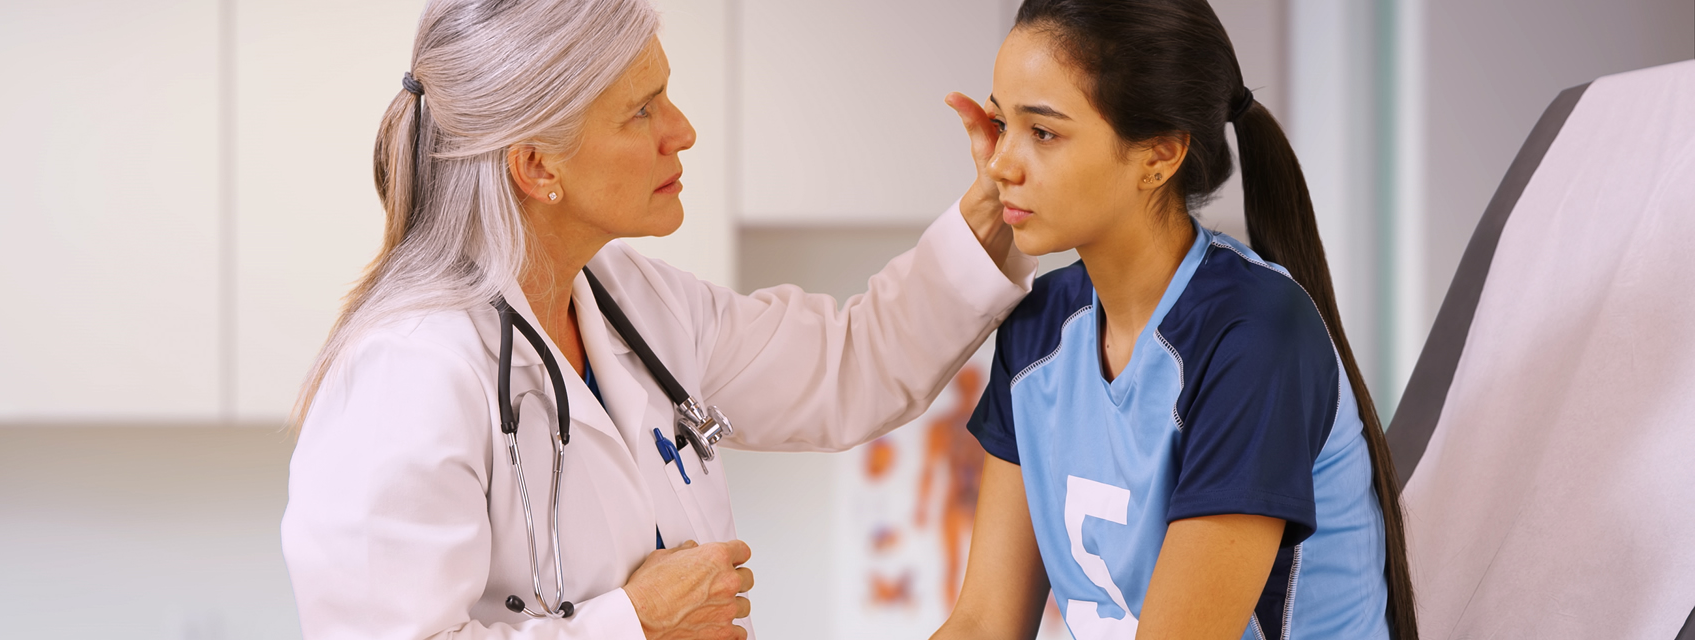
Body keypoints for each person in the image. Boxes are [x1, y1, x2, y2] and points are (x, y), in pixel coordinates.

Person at [277, 0, 1037, 638]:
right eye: (641, 112)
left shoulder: (634, 303)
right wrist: (633, 623)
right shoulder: (408, 368)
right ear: (538, 165)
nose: (682, 131)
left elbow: (852, 367)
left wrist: (993, 210)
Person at [931, 1, 1418, 639]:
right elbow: (982, 624)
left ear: (1159, 156)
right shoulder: (1038, 332)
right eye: (1001, 124)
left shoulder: (1253, 336)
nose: (999, 165)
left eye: (1042, 132)